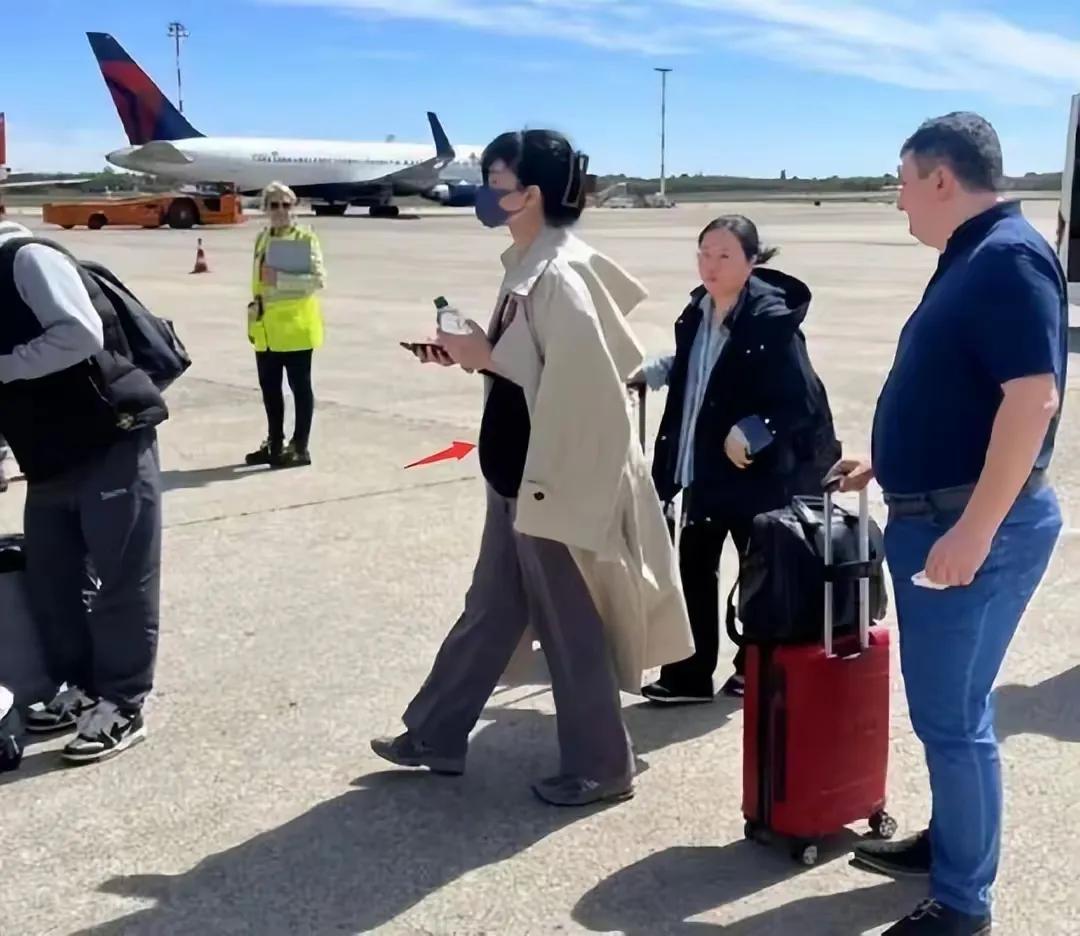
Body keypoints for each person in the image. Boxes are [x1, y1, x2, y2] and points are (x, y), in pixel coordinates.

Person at [371, 128, 693, 807]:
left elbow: (586, 391)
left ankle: (604, 765)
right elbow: (525, 366)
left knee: (569, 626)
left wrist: (485, 355)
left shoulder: (559, 273)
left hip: (548, 481)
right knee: (491, 609)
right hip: (513, 475)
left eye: (499, 185)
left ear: (534, 195)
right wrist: (468, 355)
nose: (488, 196)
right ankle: (435, 732)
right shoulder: (529, 263)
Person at [833, 113, 1066, 935]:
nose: (898, 200)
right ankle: (951, 844)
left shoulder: (1004, 257)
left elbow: (1030, 400)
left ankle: (962, 906)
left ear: (941, 178)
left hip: (971, 527)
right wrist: (889, 464)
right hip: (940, 511)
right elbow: (965, 391)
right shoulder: (972, 255)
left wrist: (970, 529)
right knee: (945, 712)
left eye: (902, 182)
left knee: (955, 719)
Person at [634, 216, 838, 703]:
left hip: (755, 477)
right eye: (705, 253)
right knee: (692, 571)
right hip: (699, 470)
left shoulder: (772, 323)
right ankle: (688, 675)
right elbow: (695, 367)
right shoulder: (696, 312)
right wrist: (651, 370)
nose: (712, 265)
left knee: (760, 575)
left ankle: (755, 664)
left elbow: (801, 400)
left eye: (725, 255)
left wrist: (752, 431)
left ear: (751, 261)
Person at [0, 218, 166, 763]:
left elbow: (79, 333)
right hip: (47, 456)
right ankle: (83, 688)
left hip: (106, 442)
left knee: (123, 580)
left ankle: (124, 702)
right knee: (53, 581)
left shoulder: (26, 259)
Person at [245, 181, 326, 468]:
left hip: (295, 329)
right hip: (265, 328)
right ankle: (275, 442)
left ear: (294, 207)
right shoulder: (262, 238)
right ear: (266, 208)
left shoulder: (303, 238)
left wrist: (278, 279)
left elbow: (317, 280)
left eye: (285, 205)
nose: (280, 211)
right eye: (274, 205)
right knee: (269, 389)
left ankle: (300, 446)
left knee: (299, 388)